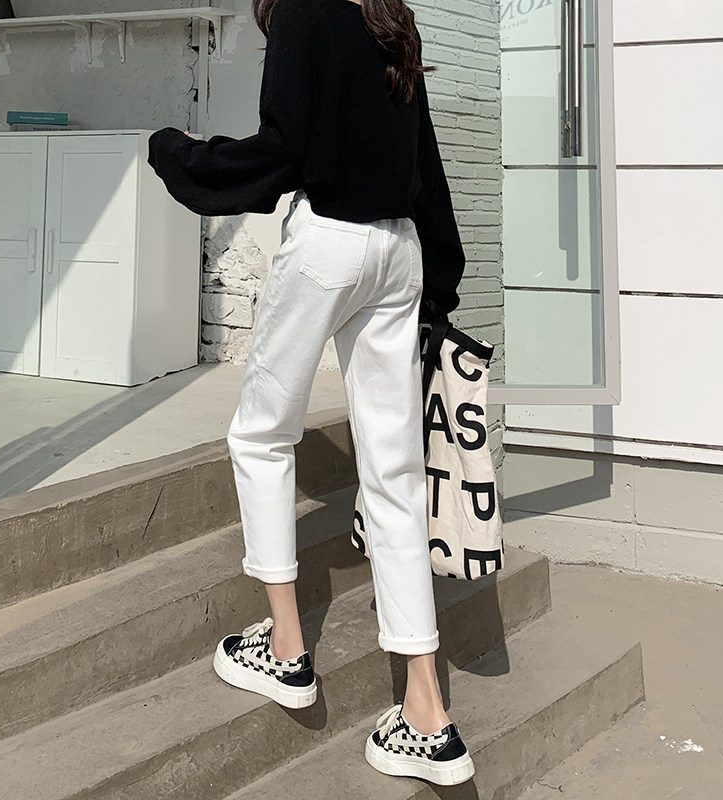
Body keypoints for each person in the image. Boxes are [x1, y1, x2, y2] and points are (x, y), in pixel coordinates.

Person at [147, 0, 472, 786]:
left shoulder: (304, 9)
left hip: (330, 242)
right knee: (393, 476)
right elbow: (423, 156)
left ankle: (287, 651)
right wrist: (441, 282)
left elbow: (284, 149)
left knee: (262, 434)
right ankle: (427, 715)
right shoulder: (388, 12)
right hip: (400, 248)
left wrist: (180, 156)